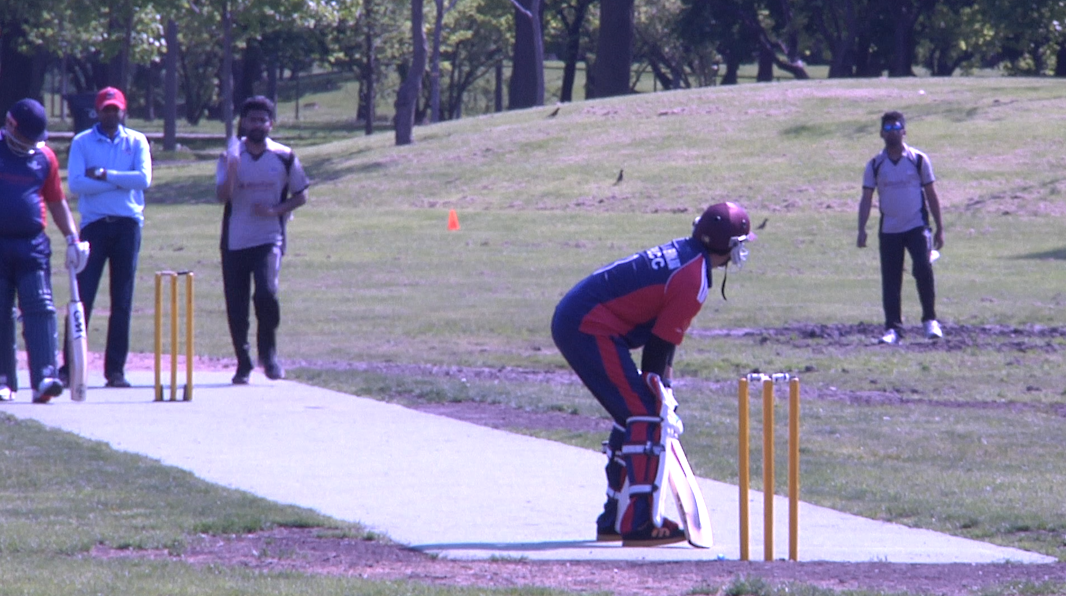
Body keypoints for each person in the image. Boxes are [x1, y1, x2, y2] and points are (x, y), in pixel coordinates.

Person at [551, 202, 752, 547]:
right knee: (645, 414)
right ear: (728, 245)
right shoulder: (694, 278)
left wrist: (664, 391)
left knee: (634, 412)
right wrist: (663, 400)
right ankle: (639, 522)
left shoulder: (690, 255)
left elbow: (662, 346)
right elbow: (658, 351)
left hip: (582, 318)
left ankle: (614, 517)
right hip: (589, 326)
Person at [0, 99, 90, 403]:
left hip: (32, 244)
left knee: (41, 307)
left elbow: (56, 201)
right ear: (11, 125)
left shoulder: (45, 158)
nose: (30, 144)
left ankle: (44, 377)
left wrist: (72, 239)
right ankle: (4, 380)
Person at [62, 87, 152, 387]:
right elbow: (76, 184)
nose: (110, 114)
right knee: (82, 296)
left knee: (122, 300)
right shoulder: (82, 142)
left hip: (127, 225)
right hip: (95, 225)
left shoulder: (136, 140)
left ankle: (115, 370)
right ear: (97, 111)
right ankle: (70, 366)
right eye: (105, 109)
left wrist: (105, 175)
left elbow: (143, 180)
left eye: (115, 109)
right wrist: (119, 183)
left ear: (123, 111)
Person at [217, 96, 308, 384]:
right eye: (251, 120)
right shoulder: (231, 155)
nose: (256, 125)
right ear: (243, 123)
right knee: (237, 304)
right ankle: (243, 362)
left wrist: (274, 211)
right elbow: (222, 197)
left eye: (262, 120)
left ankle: (268, 355)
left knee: (267, 293)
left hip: (269, 237)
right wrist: (232, 169)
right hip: (235, 239)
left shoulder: (284, 156)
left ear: (271, 124)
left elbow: (301, 195)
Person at [857, 111, 944, 345]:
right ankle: (893, 328)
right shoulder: (875, 165)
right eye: (887, 128)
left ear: (904, 131)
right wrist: (861, 228)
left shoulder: (918, 160)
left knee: (923, 268)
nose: (892, 132)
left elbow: (931, 194)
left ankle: (930, 321)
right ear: (881, 134)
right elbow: (866, 197)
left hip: (917, 226)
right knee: (891, 279)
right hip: (890, 229)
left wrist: (939, 227)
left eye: (897, 127)